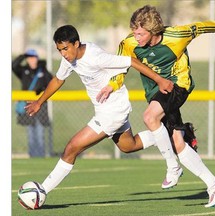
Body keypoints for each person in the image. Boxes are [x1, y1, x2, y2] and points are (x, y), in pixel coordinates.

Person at [25, 25, 178, 200]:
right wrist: (39, 102)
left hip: (113, 111)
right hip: (107, 109)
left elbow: (131, 61)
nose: (63, 54)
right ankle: (172, 134)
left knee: (71, 148)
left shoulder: (96, 57)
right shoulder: (69, 59)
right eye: (59, 50)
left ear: (76, 44)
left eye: (65, 49)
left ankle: (41, 191)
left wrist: (159, 80)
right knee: (128, 146)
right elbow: (58, 79)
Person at [97, 5, 215, 207]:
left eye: (140, 33)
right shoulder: (129, 43)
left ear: (153, 30)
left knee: (150, 117)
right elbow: (121, 65)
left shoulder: (176, 36)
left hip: (178, 85)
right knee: (178, 142)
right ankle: (213, 184)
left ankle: (172, 167)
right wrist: (111, 85)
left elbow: (198, 27)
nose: (136, 36)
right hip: (154, 93)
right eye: (134, 32)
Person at [12, 49, 53, 157]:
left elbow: (51, 82)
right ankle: (32, 156)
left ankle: (40, 156)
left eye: (33, 57)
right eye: (29, 57)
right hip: (28, 106)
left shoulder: (42, 70)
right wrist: (23, 55)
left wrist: (42, 89)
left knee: (40, 133)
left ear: (37, 58)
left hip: (40, 106)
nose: (32, 60)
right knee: (30, 134)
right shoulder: (24, 70)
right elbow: (13, 65)